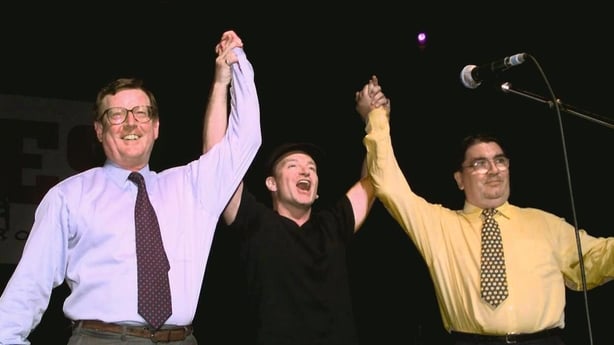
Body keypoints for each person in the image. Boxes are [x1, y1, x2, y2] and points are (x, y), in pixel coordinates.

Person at [0, 30, 260, 345]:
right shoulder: (69, 196)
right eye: (116, 115)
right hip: (101, 338)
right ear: (98, 130)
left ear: (156, 126)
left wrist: (234, 68)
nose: (130, 123)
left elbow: (245, 139)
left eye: (140, 113)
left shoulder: (192, 188)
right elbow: (30, 283)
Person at [360, 76, 614, 344]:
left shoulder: (544, 223)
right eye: (480, 163)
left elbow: (595, 259)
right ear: (459, 179)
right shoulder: (439, 225)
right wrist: (376, 117)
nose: (494, 170)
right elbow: (388, 185)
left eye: (500, 161)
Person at [202, 70, 387, 343]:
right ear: (271, 183)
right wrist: (220, 83)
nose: (306, 171)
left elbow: (374, 179)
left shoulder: (333, 225)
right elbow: (215, 164)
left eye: (311, 168)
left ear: (317, 190)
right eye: (293, 166)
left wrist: (377, 120)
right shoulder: (255, 222)